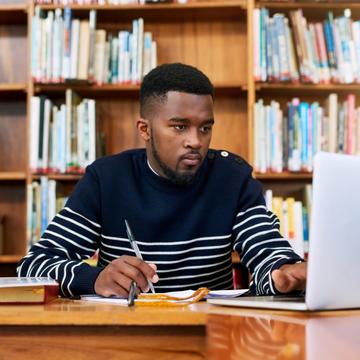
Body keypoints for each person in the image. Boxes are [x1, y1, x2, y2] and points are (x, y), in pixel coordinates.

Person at [17, 63, 306, 298]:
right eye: (179, 127)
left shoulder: (233, 177)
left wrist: (281, 274)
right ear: (145, 129)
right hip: (125, 335)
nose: (195, 141)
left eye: (205, 128)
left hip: (210, 335)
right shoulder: (106, 179)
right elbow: (33, 268)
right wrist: (95, 280)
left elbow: (266, 249)